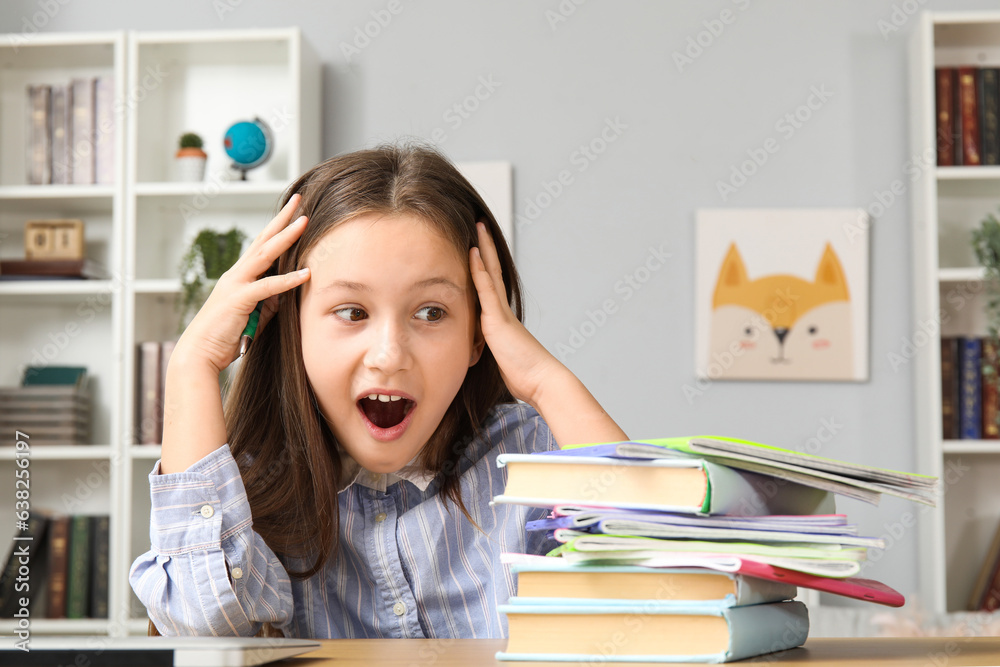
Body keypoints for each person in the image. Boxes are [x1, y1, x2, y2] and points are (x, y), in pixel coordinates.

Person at [129, 142, 627, 639]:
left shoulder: (535, 457)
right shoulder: (241, 492)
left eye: (431, 312)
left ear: (479, 335)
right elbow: (201, 630)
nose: (389, 355)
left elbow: (653, 589)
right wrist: (191, 364)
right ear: (294, 328)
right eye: (352, 312)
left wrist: (546, 379)